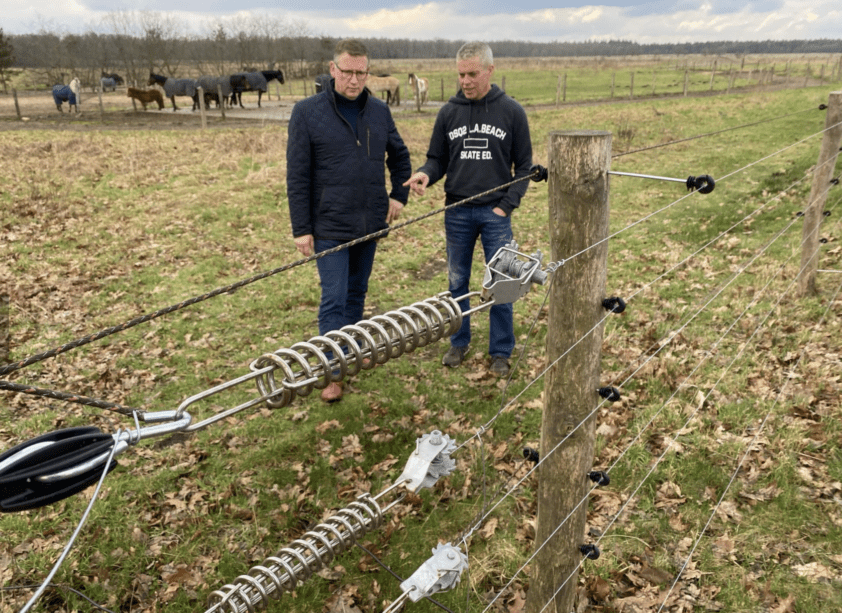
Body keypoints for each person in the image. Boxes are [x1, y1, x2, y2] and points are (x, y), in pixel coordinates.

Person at [287, 39, 412, 402]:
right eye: (347, 72)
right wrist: (302, 228)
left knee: (357, 292)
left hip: (369, 221)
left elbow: (400, 159)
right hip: (329, 224)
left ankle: (352, 350)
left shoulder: (378, 111)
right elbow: (297, 175)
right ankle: (332, 370)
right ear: (332, 69)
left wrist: (397, 197)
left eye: (361, 72)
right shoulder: (307, 112)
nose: (354, 80)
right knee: (335, 297)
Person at [404, 41, 533, 377]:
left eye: (473, 73)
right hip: (457, 212)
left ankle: (501, 350)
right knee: (457, 282)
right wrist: (424, 175)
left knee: (502, 282)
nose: (466, 81)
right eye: (461, 74)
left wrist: (507, 206)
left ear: (490, 70)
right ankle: (459, 342)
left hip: (495, 215)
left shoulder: (512, 112)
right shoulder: (449, 112)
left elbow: (526, 168)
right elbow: (437, 160)